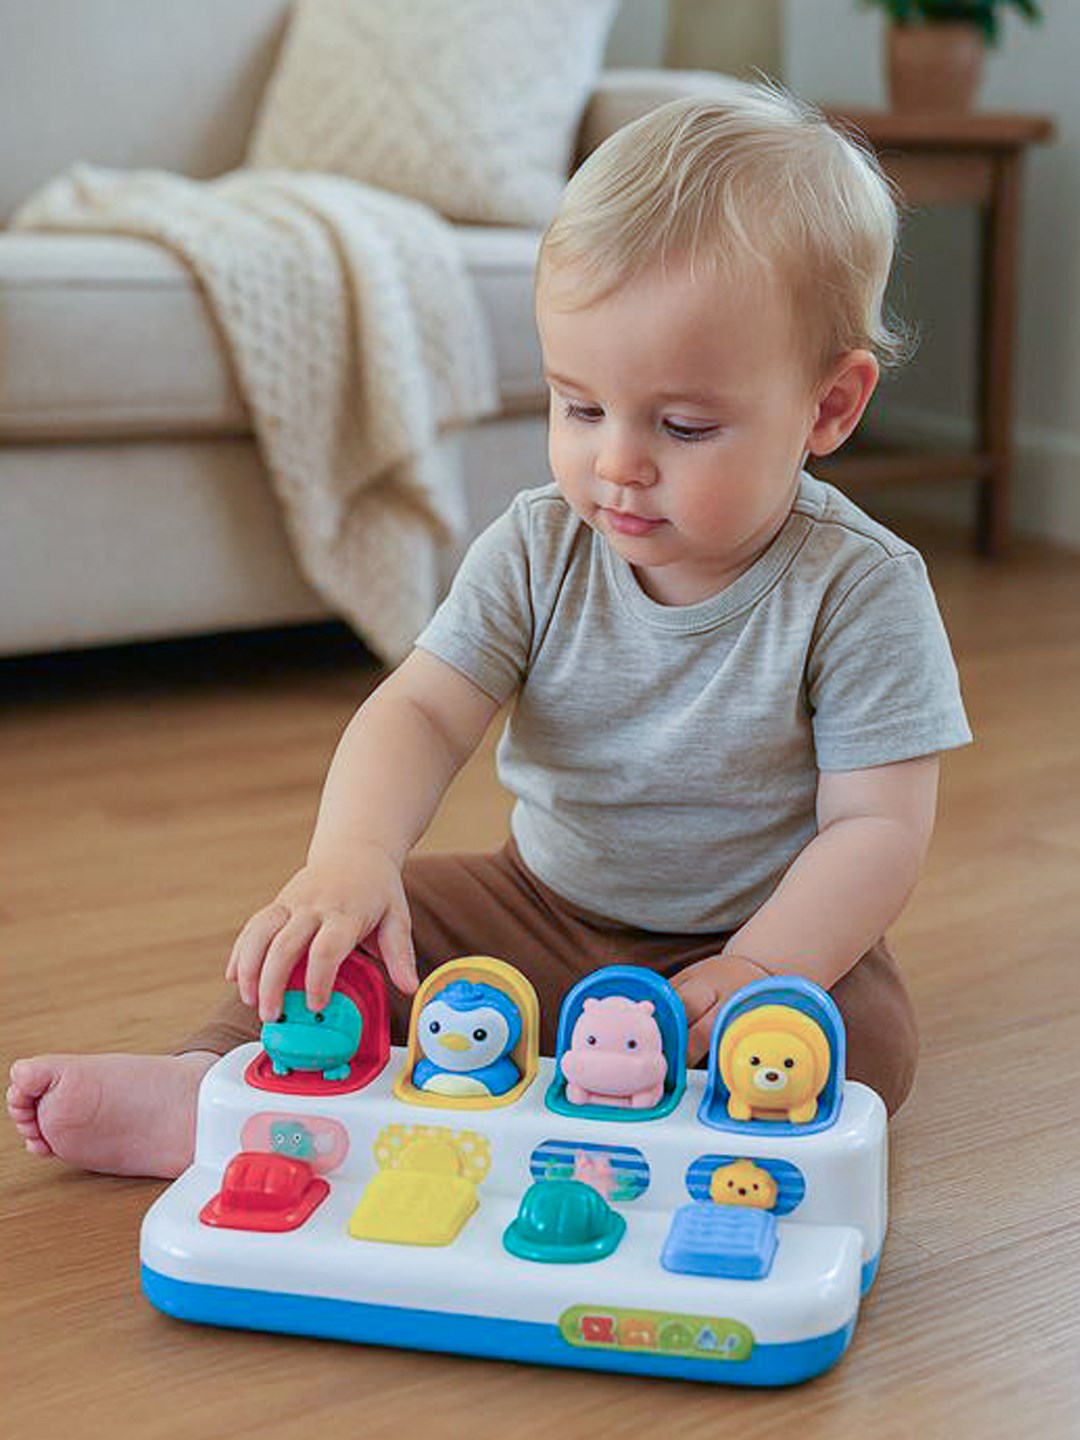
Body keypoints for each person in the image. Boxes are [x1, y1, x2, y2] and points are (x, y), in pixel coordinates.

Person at [8, 81, 971, 1178]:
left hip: (745, 934)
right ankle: (212, 1089)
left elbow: (874, 831)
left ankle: (664, 1088)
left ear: (829, 407)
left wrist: (762, 967)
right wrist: (352, 858)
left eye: (684, 425)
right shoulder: (538, 544)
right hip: (539, 906)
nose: (617, 462)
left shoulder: (861, 590)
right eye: (580, 407)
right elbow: (423, 709)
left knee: (867, 1041)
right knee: (364, 928)